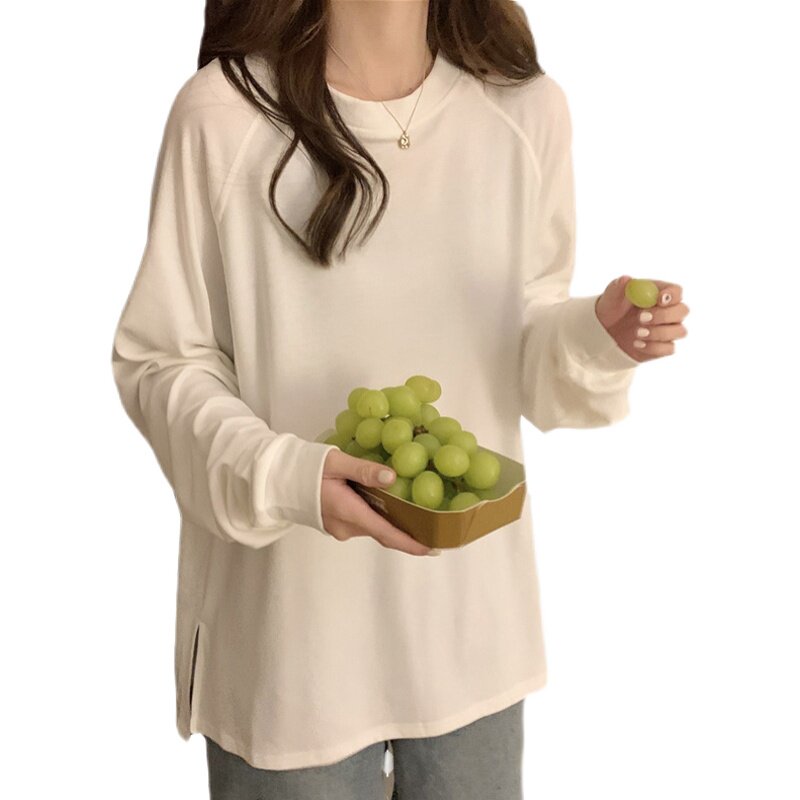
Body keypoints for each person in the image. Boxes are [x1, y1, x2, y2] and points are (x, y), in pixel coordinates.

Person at [110, 0, 690, 797]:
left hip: (470, 642)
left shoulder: (526, 109)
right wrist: (285, 475)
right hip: (291, 659)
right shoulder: (223, 114)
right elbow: (161, 359)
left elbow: (517, 341)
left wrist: (597, 336)